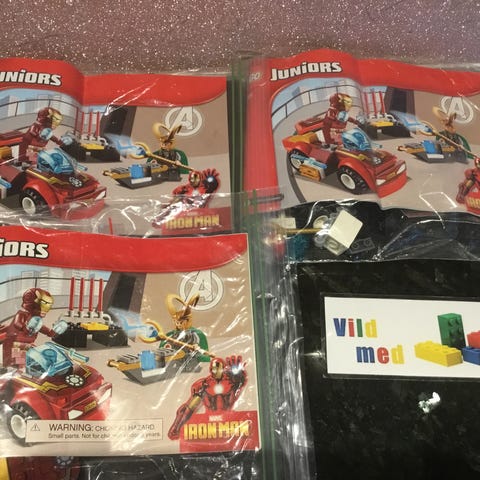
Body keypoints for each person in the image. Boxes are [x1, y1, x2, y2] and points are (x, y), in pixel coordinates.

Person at [168, 355, 247, 440]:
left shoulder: (232, 383)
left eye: (219, 368)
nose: (216, 371)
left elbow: (241, 383)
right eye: (214, 369)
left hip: (230, 425)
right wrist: (176, 426)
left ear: (223, 369)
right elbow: (188, 408)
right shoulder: (202, 385)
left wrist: (240, 378)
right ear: (210, 370)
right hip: (208, 426)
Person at [0, 288, 67, 369]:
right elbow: (17, 323)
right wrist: (26, 327)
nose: (47, 308)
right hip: (15, 343)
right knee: (17, 364)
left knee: (25, 361)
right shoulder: (22, 314)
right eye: (44, 303)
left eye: (48, 304)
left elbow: (42, 328)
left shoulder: (35, 319)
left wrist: (52, 332)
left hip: (25, 344)